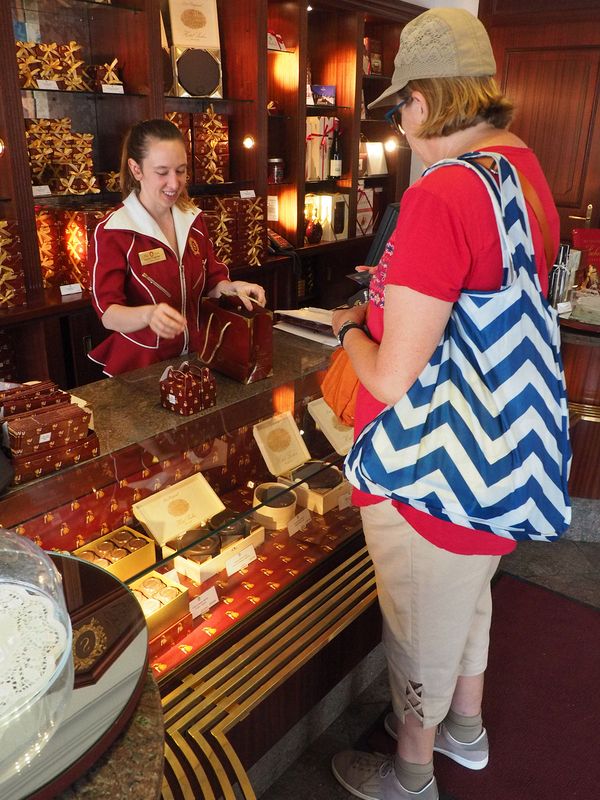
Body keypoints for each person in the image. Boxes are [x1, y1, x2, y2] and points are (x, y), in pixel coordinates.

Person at [330, 8, 560, 800]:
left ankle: (411, 773)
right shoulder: (523, 174)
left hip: (431, 465)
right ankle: (466, 732)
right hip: (499, 458)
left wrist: (353, 332)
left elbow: (390, 380)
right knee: (467, 604)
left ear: (423, 102)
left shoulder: (443, 194)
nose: (400, 128)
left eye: (398, 109)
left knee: (420, 625)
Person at [89, 118, 266, 376]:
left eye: (181, 170)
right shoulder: (114, 231)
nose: (174, 183)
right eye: (162, 172)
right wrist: (148, 315)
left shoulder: (193, 219)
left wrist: (234, 288)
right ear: (136, 169)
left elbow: (212, 282)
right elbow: (109, 313)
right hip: (141, 369)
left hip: (195, 358)